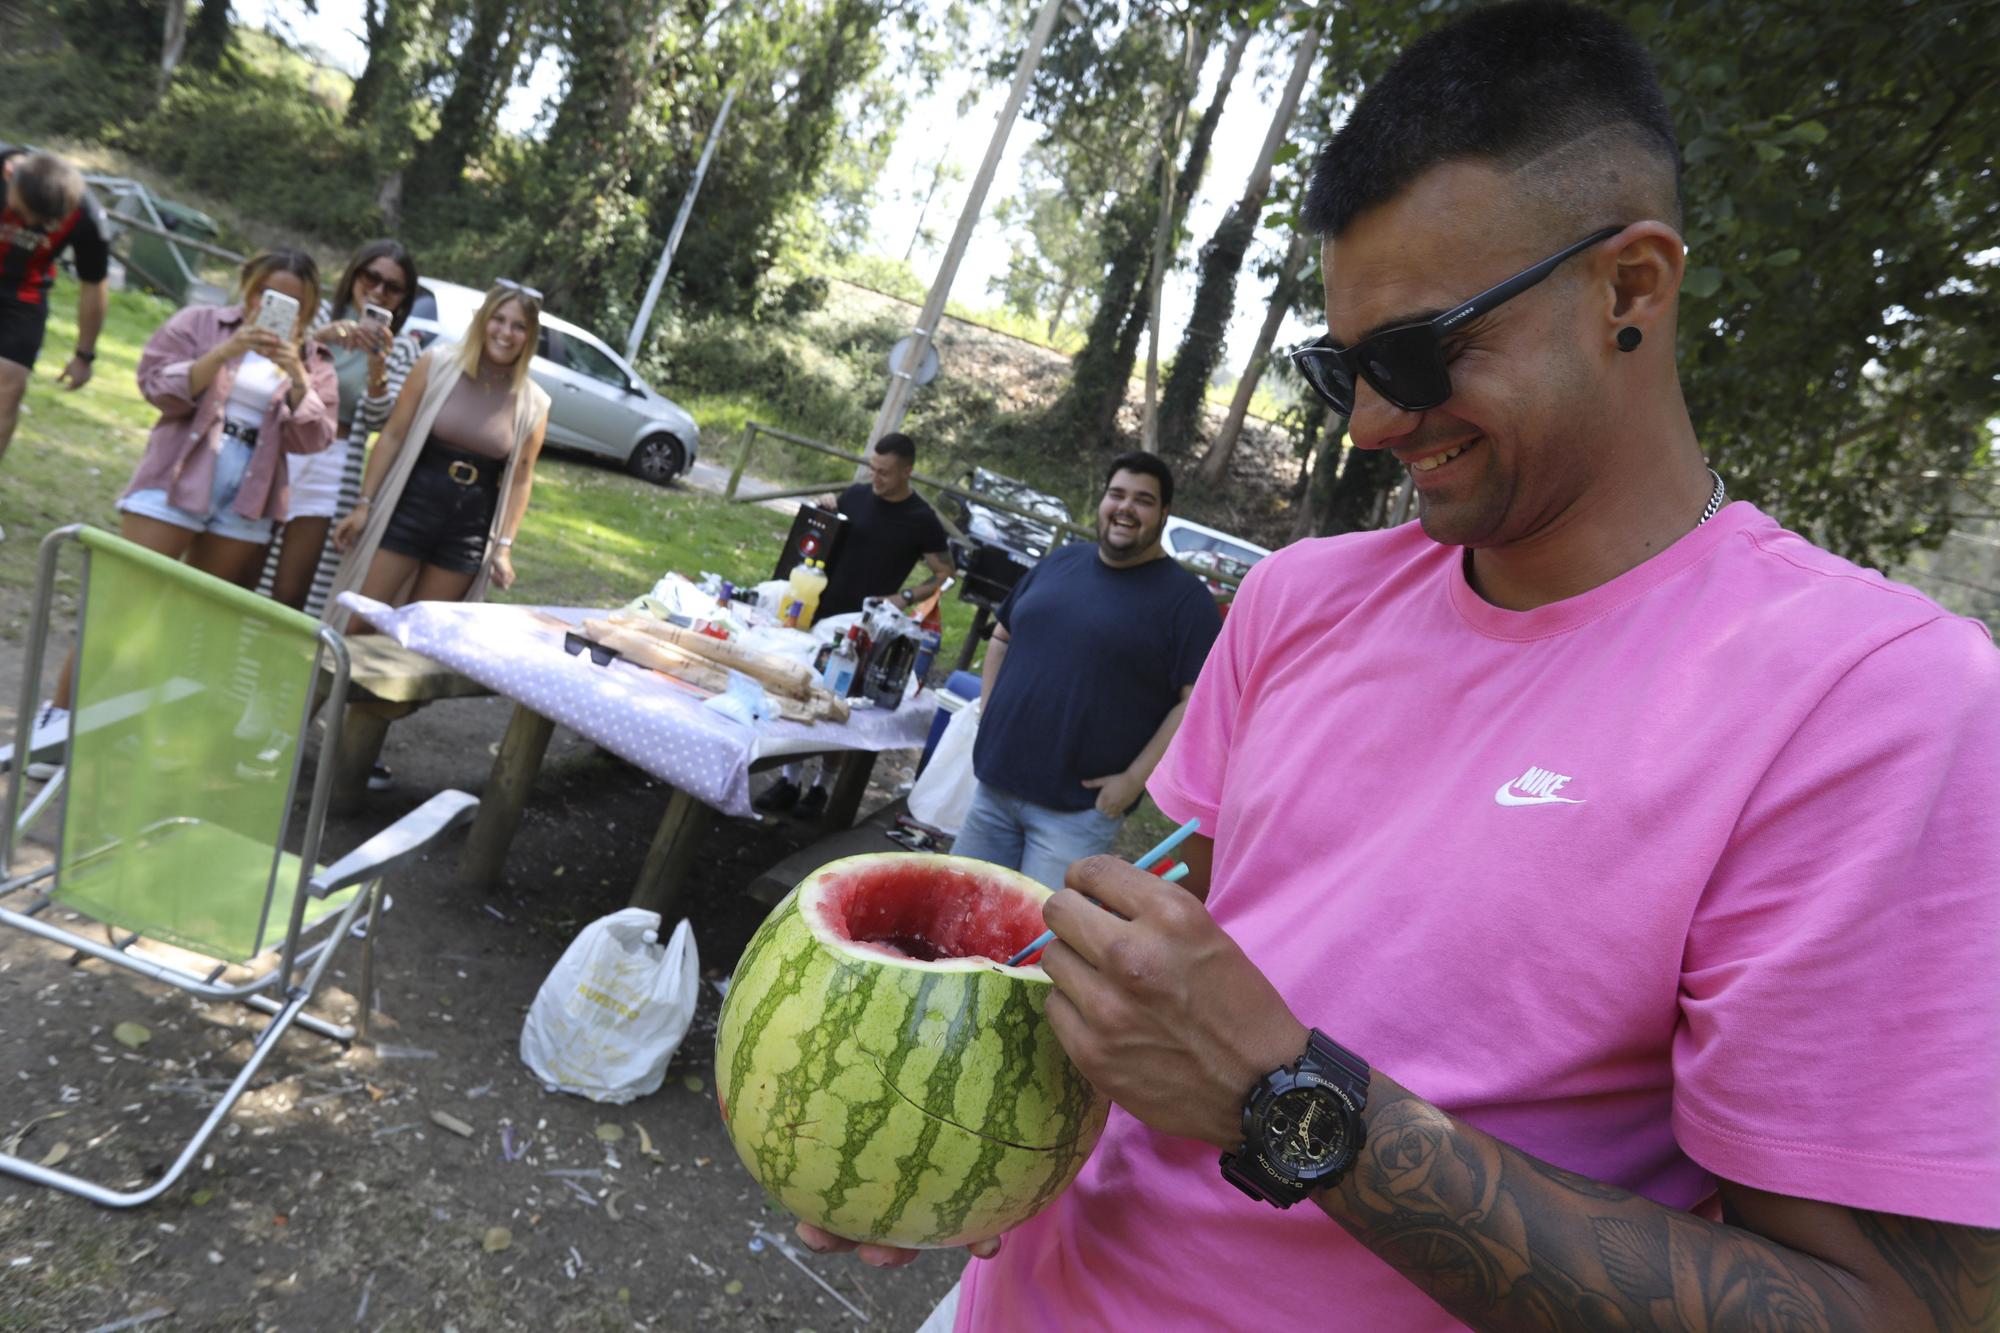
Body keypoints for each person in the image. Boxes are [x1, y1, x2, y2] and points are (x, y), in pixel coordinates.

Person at [799, 5, 2000, 1329]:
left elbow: (1889, 1313)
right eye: (1343, 368)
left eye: (1420, 355)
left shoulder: (1871, 703)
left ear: (1633, 288)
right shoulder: (1301, 596)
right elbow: (1191, 936)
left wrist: (1295, 1103)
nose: (1374, 424)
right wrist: (943, 1123)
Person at [18, 248, 337, 773]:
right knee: (123, 605)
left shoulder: (314, 361)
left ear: (309, 308)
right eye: (267, 294)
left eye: (295, 302)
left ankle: (124, 724)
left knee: (195, 623)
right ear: (249, 288)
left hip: (246, 500)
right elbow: (156, 385)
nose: (276, 307)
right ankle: (59, 719)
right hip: (174, 478)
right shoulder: (203, 324)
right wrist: (225, 352)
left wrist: (297, 373)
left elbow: (314, 437)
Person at [946, 452, 1220, 889]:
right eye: (1117, 494)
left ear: (1164, 514)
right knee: (955, 915)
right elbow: (1002, 636)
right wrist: (990, 711)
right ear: (1103, 501)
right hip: (995, 786)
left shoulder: (1187, 602)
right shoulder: (1061, 561)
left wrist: (1134, 780)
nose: (1126, 507)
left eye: (1143, 500)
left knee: (1038, 944)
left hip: (1076, 814)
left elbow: (1196, 703)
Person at [327, 280, 552, 789]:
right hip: (410, 505)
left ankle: (357, 752)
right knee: (356, 624)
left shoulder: (534, 401)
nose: (506, 332)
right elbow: (395, 435)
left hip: (467, 529)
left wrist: (504, 546)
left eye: (519, 326)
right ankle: (296, 731)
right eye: (499, 320)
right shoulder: (439, 363)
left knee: (414, 643)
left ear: (529, 337)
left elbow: (519, 478)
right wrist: (365, 506)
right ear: (483, 319)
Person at [756, 431, 953, 819]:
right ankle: (789, 779)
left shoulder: (921, 519)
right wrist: (824, 509)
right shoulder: (857, 495)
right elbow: (823, 533)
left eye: (885, 473)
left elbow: (945, 575)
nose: (876, 478)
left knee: (840, 700)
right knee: (799, 687)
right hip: (817, 607)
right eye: (873, 469)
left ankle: (821, 789)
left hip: (865, 623)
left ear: (907, 472)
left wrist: (907, 597)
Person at [264, 240, 422, 614]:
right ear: (355, 274)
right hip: (280, 448)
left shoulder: (403, 351)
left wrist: (377, 368)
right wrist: (321, 339)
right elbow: (271, 373)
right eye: (372, 277)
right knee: (249, 559)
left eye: (393, 287)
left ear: (404, 298)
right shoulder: (318, 318)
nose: (379, 291)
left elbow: (384, 423)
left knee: (293, 588)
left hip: (335, 461)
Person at [0, 147, 110, 500]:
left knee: (8, 389)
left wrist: (84, 355)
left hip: (23, 296)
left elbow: (94, 284)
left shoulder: (87, 216)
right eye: (22, 214)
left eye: (43, 223)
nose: (30, 226)